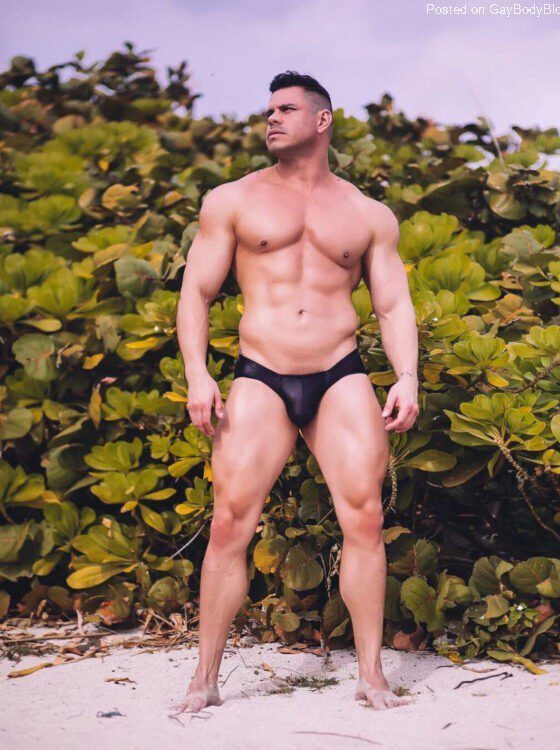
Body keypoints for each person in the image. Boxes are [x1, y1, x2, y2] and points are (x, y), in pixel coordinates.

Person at [174, 70, 419, 712]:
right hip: (261, 373)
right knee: (230, 522)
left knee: (364, 518)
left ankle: (371, 676)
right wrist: (198, 373)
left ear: (322, 120)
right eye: (269, 111)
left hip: (340, 372)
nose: (272, 119)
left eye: (286, 109)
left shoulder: (368, 214)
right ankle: (204, 681)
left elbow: (393, 305)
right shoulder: (232, 200)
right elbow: (197, 291)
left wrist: (408, 376)